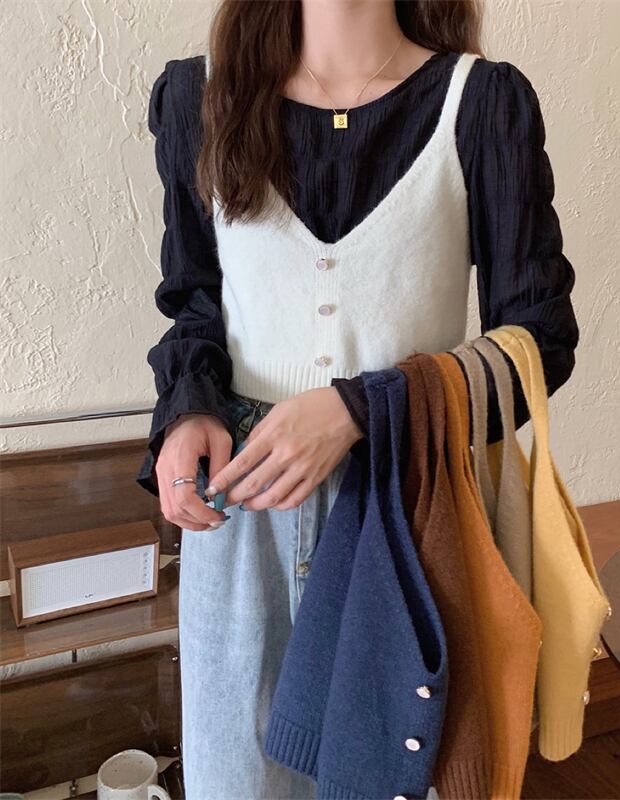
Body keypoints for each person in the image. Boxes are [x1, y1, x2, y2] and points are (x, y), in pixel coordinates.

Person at [136, 1, 580, 797]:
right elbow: (195, 301)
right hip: (242, 529)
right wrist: (187, 412)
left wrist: (359, 408)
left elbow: (539, 344)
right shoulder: (199, 99)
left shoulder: (481, 104)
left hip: (412, 518)